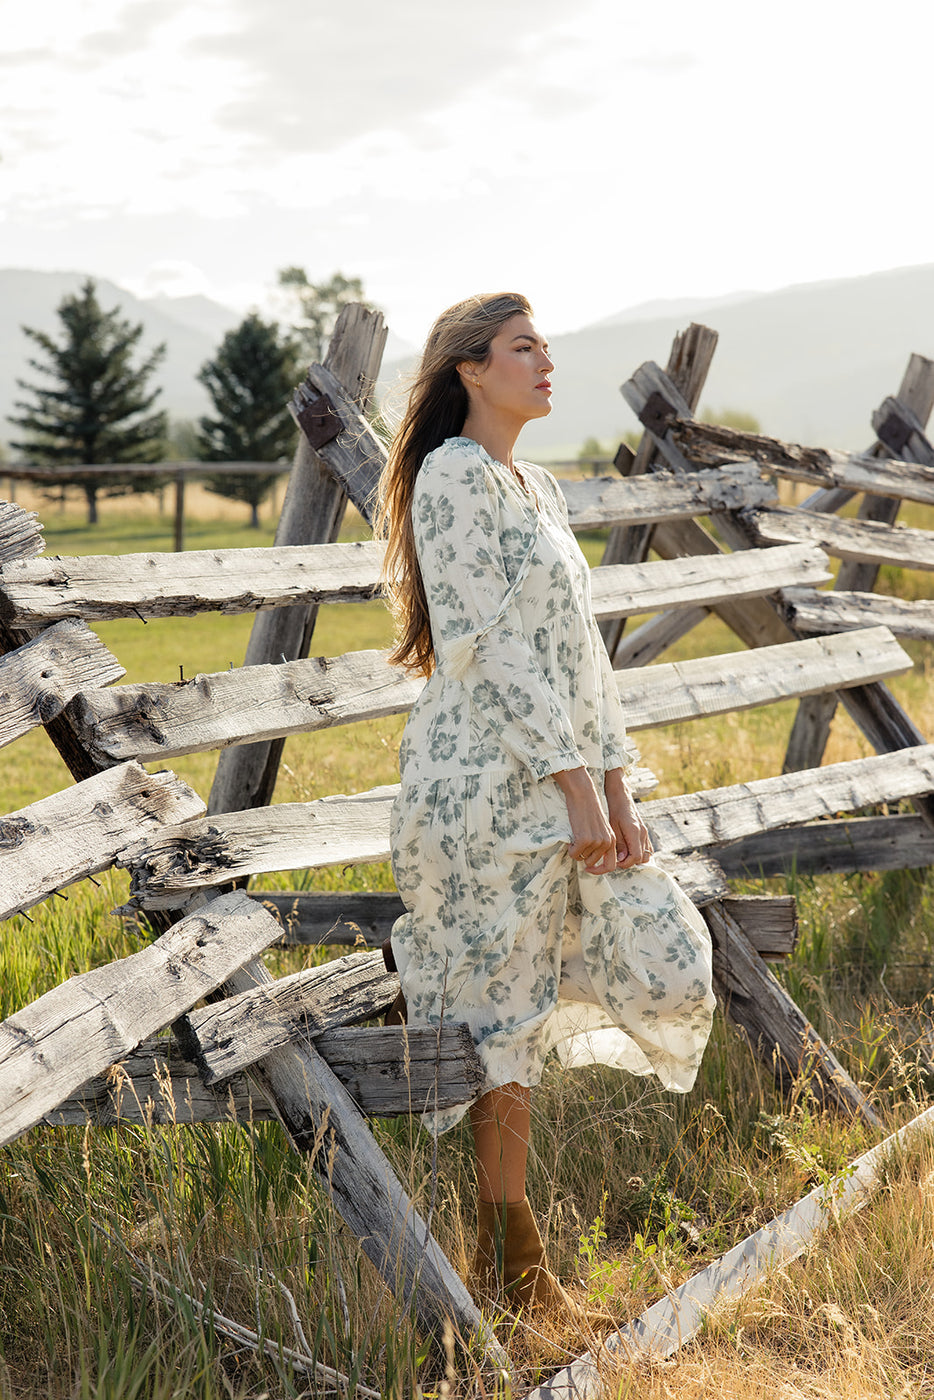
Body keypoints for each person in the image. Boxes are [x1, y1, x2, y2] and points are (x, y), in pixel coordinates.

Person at [377, 292, 715, 1322]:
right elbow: (485, 645)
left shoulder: (540, 488)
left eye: (545, 348)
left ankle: (511, 1264)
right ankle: (514, 1264)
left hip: (561, 781)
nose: (545, 363)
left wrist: (614, 785)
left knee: (665, 954)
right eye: (524, 348)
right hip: (481, 789)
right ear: (471, 368)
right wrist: (573, 783)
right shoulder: (449, 478)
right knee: (502, 1023)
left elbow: (579, 656)